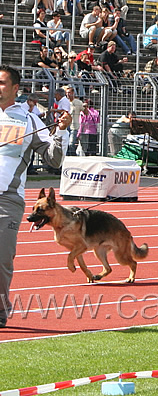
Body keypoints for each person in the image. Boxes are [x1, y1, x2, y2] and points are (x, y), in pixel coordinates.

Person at [0, 65, 71, 329]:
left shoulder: (29, 120)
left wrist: (61, 132)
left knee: (1, 258)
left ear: (15, 89)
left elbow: (53, 160)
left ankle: (0, 307)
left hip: (7, 199)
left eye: (2, 83)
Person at [64, 86, 82, 155]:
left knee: (71, 143)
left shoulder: (78, 102)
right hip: (65, 125)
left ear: (73, 93)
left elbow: (85, 112)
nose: (68, 94)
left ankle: (71, 156)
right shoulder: (64, 102)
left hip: (74, 125)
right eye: (67, 93)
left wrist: (85, 107)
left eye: (69, 92)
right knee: (65, 143)